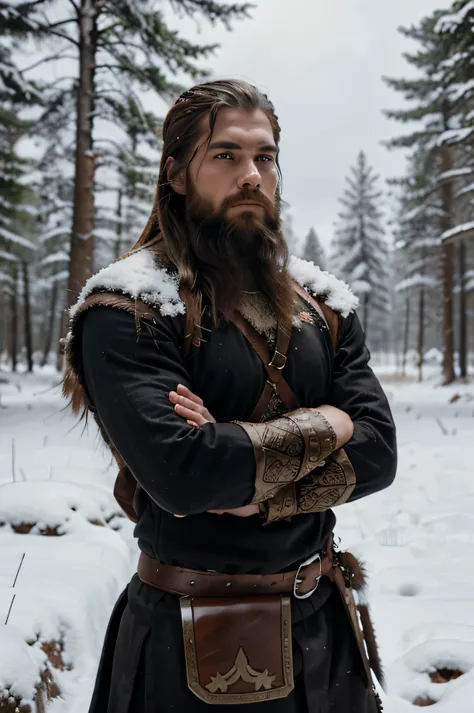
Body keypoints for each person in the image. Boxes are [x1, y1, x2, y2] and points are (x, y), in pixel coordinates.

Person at [63, 79, 397, 713]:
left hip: (323, 623)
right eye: (226, 155)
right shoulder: (127, 309)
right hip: (188, 641)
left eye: (264, 157)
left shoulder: (322, 307)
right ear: (177, 173)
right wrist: (331, 421)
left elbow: (379, 453)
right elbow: (185, 473)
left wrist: (251, 481)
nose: (251, 174)